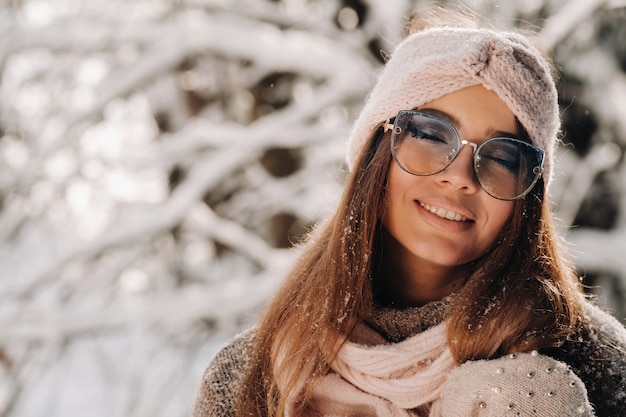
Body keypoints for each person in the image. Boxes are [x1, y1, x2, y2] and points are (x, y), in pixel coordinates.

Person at [191, 7, 626, 417]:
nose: (460, 176)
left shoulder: (597, 368)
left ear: (526, 200)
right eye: (432, 134)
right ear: (376, 151)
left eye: (503, 157)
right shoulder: (247, 376)